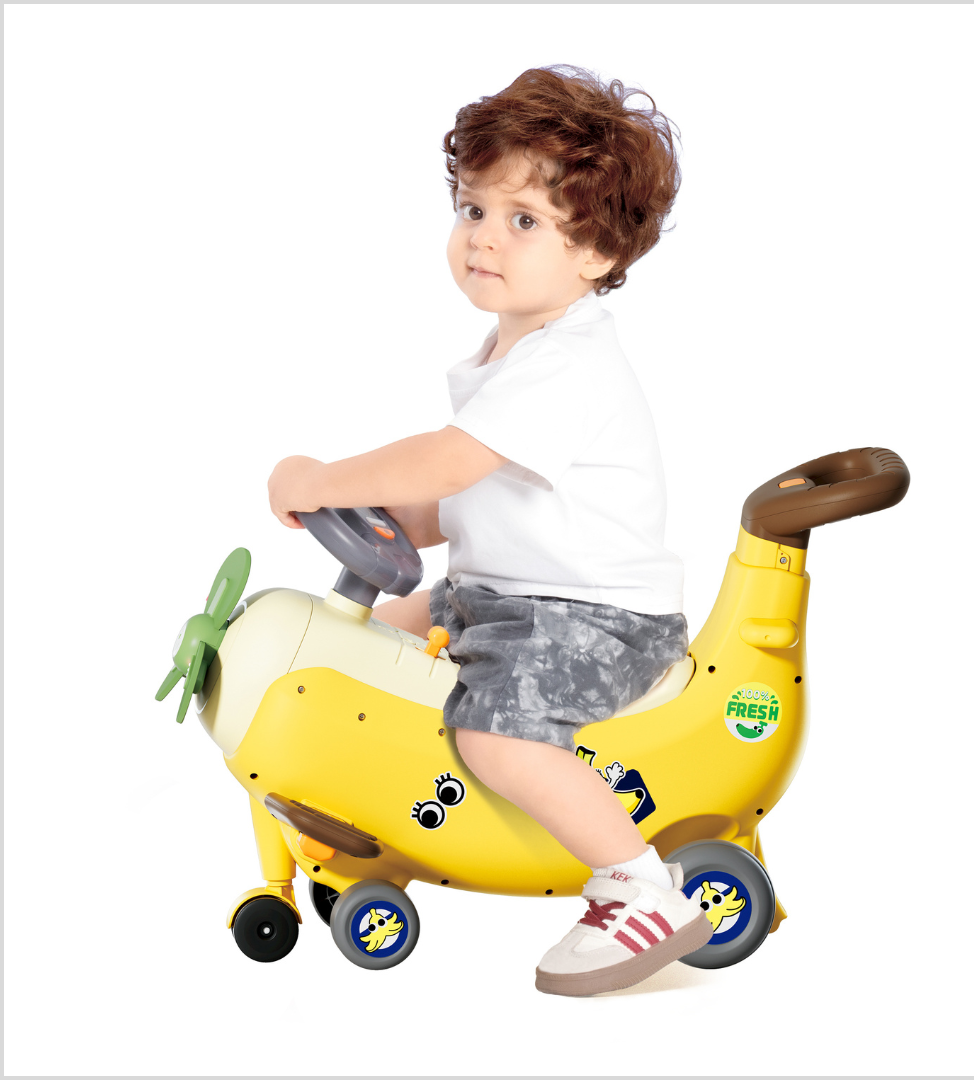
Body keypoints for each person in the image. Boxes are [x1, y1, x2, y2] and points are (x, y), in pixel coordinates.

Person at [267, 65, 712, 995]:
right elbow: (463, 500)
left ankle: (639, 884)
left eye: (524, 220)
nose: (483, 237)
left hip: (593, 619)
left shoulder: (568, 364)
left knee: (495, 737)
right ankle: (372, 812)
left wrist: (323, 479)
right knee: (364, 655)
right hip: (500, 601)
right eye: (473, 209)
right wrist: (374, 519)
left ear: (597, 252)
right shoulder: (512, 352)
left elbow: (447, 464)